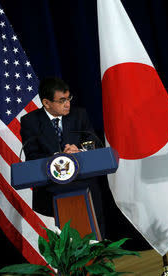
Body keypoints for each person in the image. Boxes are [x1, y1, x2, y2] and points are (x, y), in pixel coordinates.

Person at [20, 77, 105, 234]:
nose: (68, 104)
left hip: (84, 186)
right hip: (50, 191)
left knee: (93, 237)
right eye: (62, 100)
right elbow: (32, 155)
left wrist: (79, 150)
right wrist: (58, 157)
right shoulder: (30, 121)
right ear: (46, 103)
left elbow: (95, 142)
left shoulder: (79, 115)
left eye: (69, 98)